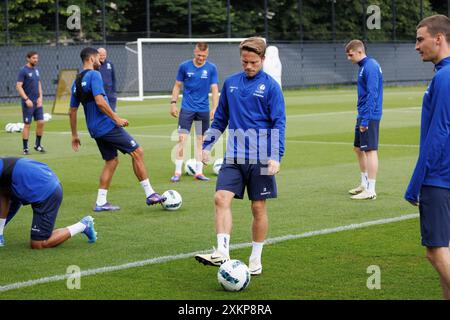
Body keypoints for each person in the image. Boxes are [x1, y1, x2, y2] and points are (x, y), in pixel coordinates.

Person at [194, 37, 286, 276]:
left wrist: (276, 155)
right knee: (220, 198)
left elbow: (279, 123)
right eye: (244, 61)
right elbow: (221, 118)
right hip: (233, 156)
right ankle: (222, 252)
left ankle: (255, 258)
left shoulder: (272, 87)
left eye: (253, 62)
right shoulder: (231, 83)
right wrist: (208, 144)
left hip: (262, 158)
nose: (248, 66)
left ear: (263, 60)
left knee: (258, 208)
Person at [69, 47, 165, 212]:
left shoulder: (76, 81)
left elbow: (72, 111)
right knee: (137, 152)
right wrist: (116, 119)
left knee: (111, 161)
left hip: (94, 129)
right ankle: (150, 194)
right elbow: (99, 102)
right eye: (99, 58)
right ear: (91, 59)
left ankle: (100, 202)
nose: (101, 61)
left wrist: (74, 135)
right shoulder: (94, 75)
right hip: (106, 126)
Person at [405, 15, 450, 300]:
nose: (416, 46)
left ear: (439, 38)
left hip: (439, 177)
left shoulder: (445, 76)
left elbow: (440, 131)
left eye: (420, 39)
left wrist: (416, 180)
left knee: (435, 253)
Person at [0, 157, 97, 248]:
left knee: (38, 244)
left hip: (47, 192)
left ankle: (83, 225)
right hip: (38, 181)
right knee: (4, 192)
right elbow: (6, 196)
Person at [169, 42, 219, 182]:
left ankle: (199, 172)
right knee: (182, 139)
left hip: (203, 110)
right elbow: (177, 85)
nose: (201, 58)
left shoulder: (211, 68)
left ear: (207, 54)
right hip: (187, 109)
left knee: (201, 141)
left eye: (203, 56)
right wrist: (173, 103)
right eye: (198, 55)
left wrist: (215, 107)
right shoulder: (184, 66)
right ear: (194, 52)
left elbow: (215, 89)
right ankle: (177, 172)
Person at [345, 39, 383, 200]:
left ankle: (371, 190)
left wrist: (366, 120)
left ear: (359, 51)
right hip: (362, 114)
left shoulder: (371, 66)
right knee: (358, 148)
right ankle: (364, 183)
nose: (349, 58)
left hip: (370, 115)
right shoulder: (363, 67)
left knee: (370, 150)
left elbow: (372, 94)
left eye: (350, 54)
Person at [16, 51, 46, 155]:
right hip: (28, 103)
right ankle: (25, 148)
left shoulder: (36, 70)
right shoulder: (23, 71)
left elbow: (39, 84)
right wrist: (26, 99)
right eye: (33, 58)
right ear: (28, 58)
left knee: (41, 122)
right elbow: (18, 86)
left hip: (37, 102)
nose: (36, 60)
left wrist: (40, 97)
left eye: (37, 58)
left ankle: (37, 145)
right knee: (27, 124)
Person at [98, 48, 117, 112]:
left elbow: (113, 78)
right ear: (97, 55)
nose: (102, 57)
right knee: (102, 111)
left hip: (110, 92)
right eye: (100, 55)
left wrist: (114, 91)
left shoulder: (110, 64)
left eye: (104, 55)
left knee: (112, 110)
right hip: (100, 92)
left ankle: (112, 121)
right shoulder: (95, 65)